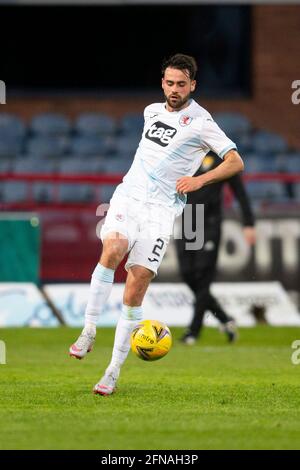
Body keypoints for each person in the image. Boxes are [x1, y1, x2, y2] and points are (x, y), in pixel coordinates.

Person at [69, 53, 244, 396]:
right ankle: (89, 329)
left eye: (182, 84)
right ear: (162, 82)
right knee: (114, 248)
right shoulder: (150, 111)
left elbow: (236, 162)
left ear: (193, 85)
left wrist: (199, 180)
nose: (175, 89)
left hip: (162, 212)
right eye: (169, 82)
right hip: (128, 198)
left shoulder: (202, 121)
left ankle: (112, 372)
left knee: (135, 289)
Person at [176, 151, 256, 345]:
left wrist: (248, 223)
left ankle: (192, 332)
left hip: (209, 223)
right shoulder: (187, 153)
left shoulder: (223, 159)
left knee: (203, 277)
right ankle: (224, 319)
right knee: (187, 273)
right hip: (189, 221)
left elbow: (240, 192)